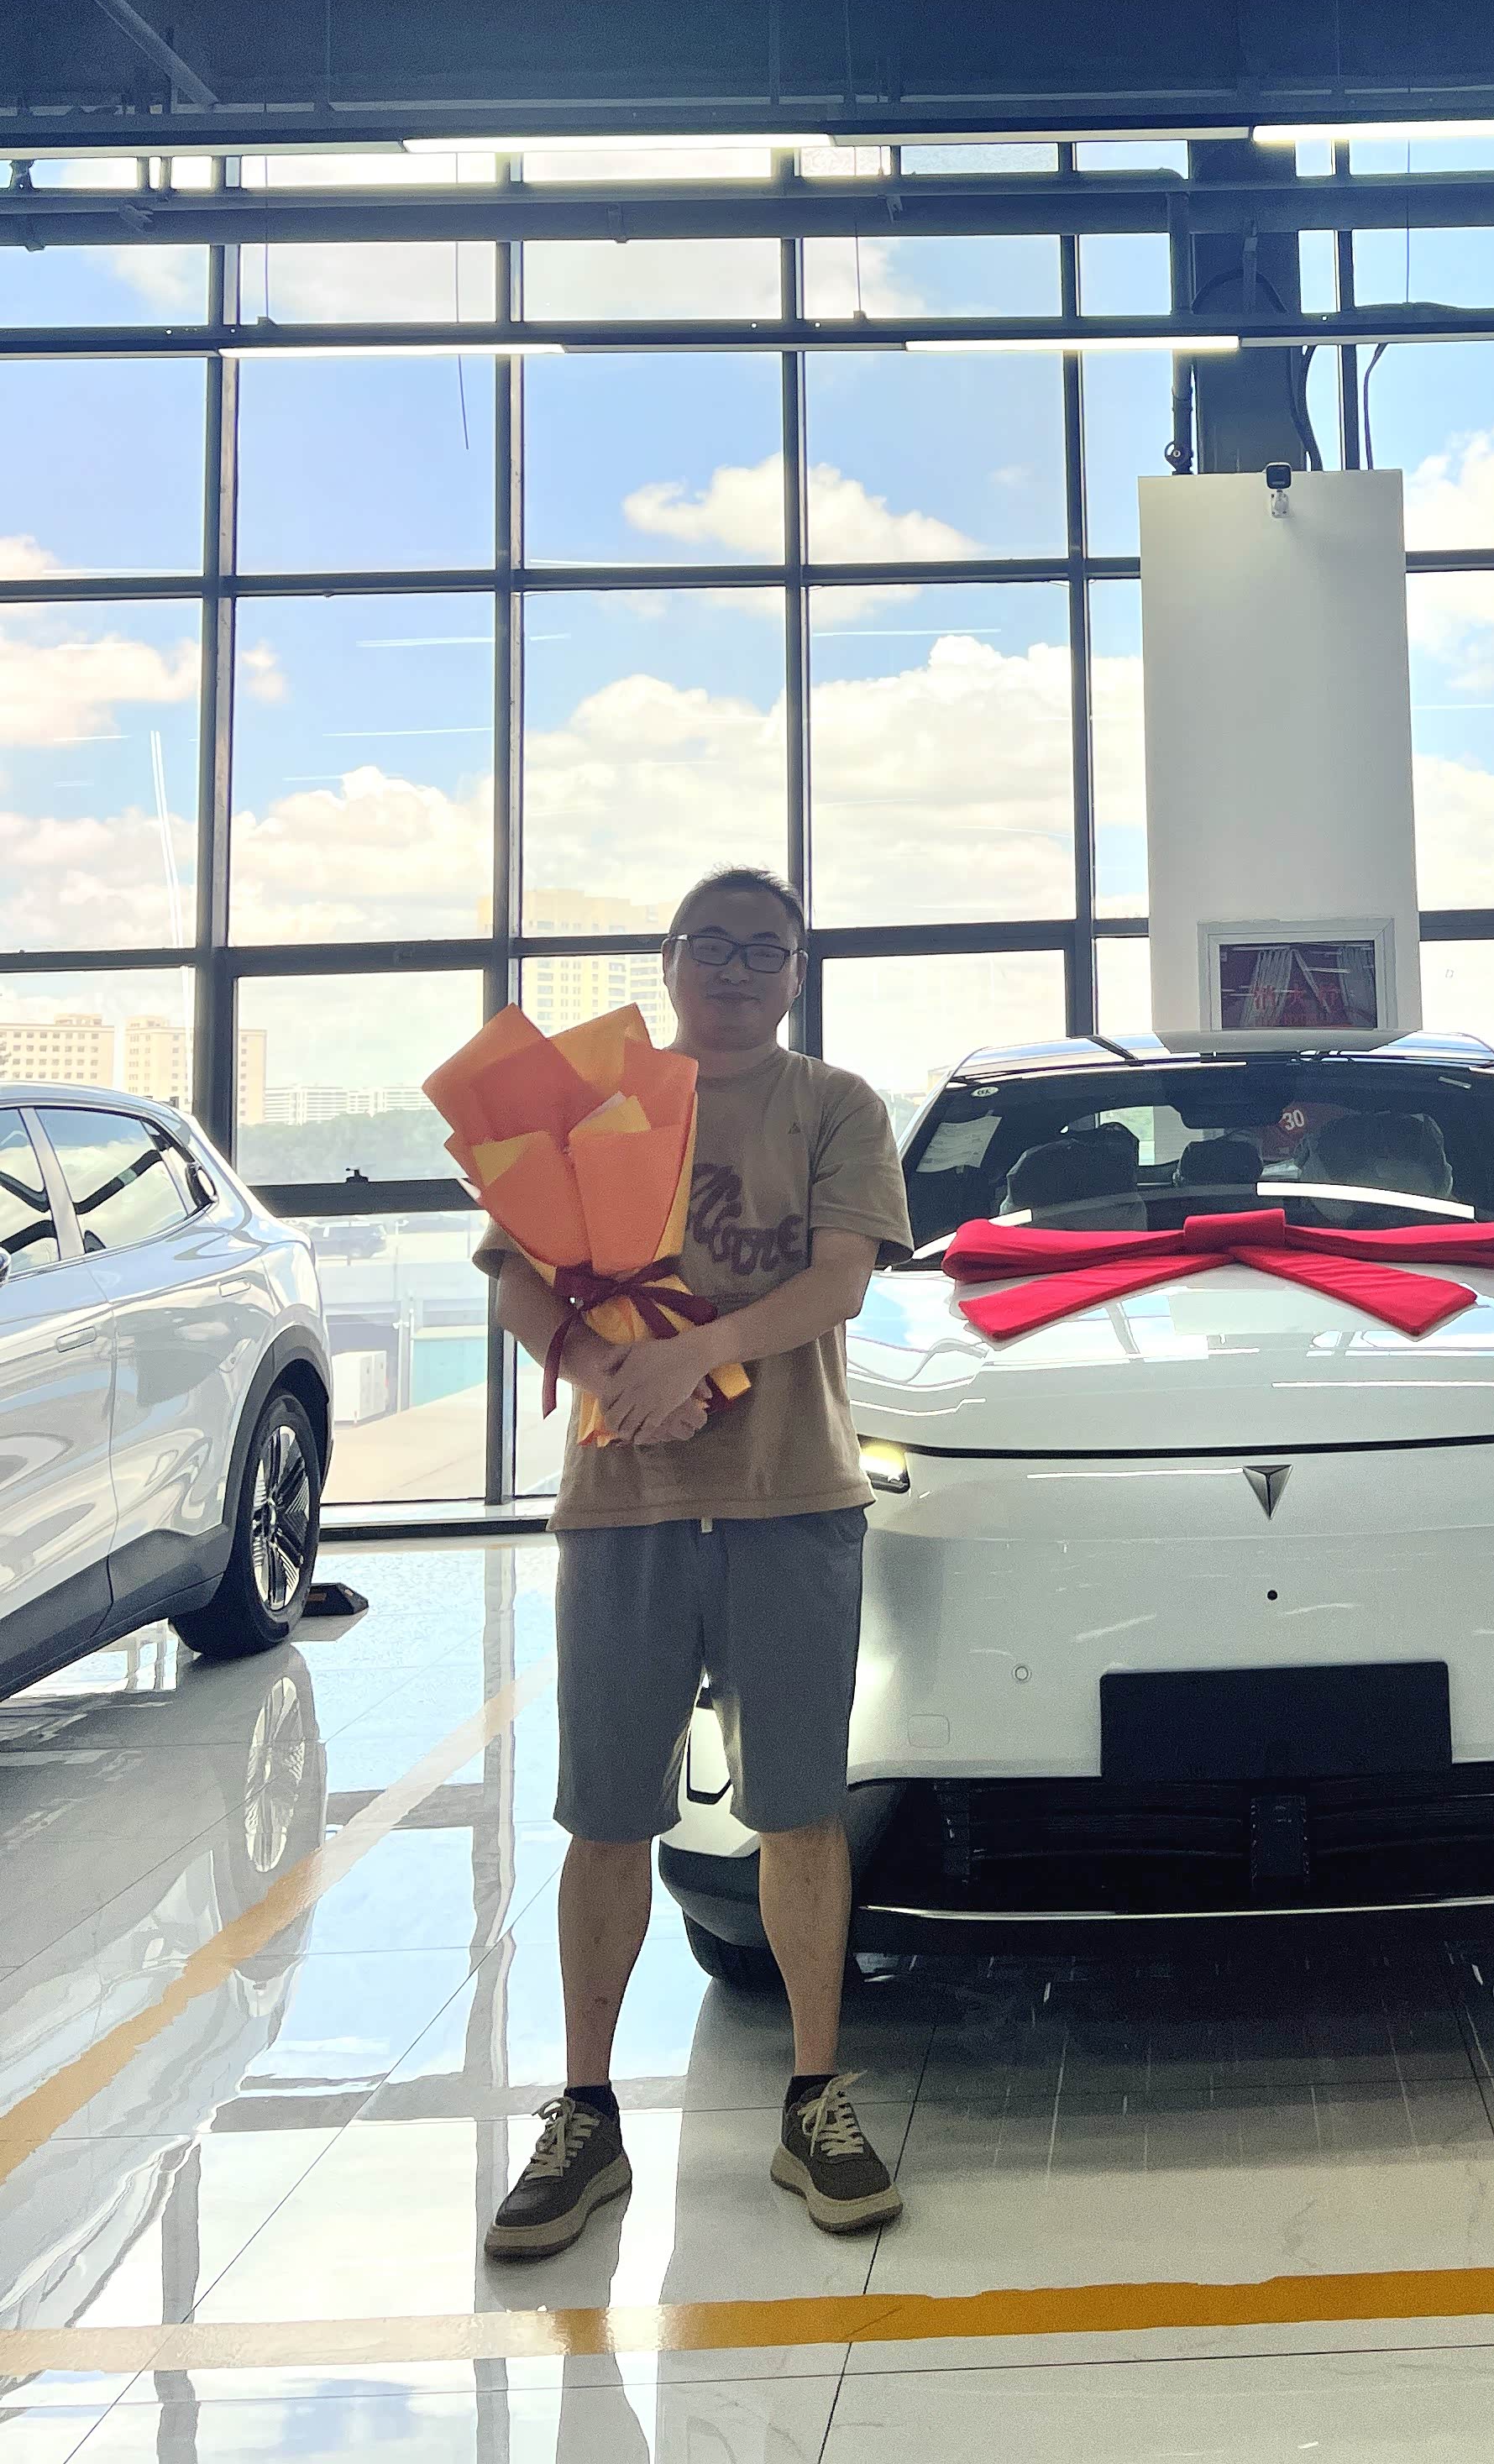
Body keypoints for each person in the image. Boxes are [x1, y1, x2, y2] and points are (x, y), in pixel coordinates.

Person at [479, 867, 914, 2265]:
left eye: (764, 950)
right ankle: (586, 2113)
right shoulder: (593, 1101)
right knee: (606, 1813)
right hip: (624, 1505)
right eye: (710, 945)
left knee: (799, 1807)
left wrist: (693, 1356)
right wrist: (610, 1369)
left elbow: (840, 1279)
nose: (735, 969)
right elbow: (516, 1274)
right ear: (668, 960)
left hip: (794, 1497)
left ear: (797, 973)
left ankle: (814, 2095)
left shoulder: (835, 1105)